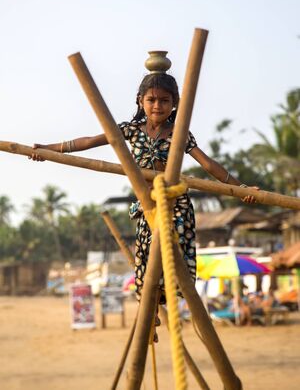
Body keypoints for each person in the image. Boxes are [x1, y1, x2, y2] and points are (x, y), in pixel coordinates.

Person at [29, 52, 257, 320]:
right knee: (147, 257)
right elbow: (89, 141)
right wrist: (48, 149)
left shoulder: (179, 133)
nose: (157, 106)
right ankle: (151, 311)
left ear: (175, 104)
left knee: (174, 259)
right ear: (141, 101)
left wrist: (242, 189)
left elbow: (208, 165)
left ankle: (167, 304)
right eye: (151, 100)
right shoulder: (130, 130)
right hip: (147, 204)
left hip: (175, 204)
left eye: (164, 101)